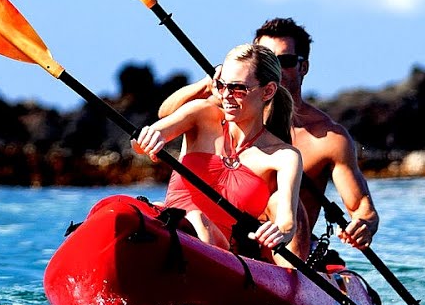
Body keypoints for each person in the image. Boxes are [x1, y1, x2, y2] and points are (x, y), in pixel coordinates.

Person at [157, 17, 380, 254]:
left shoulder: (328, 138)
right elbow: (167, 115)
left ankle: (289, 283)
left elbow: (361, 208)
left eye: (284, 61)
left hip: (281, 249)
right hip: (219, 237)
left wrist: (363, 225)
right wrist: (208, 84)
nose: (274, 67)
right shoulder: (225, 106)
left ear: (303, 67)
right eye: (267, 58)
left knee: (285, 205)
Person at [131, 43, 302, 263]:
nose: (226, 96)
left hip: (221, 256)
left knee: (198, 219)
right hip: (169, 229)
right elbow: (139, 142)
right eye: (222, 86)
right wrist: (145, 139)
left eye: (238, 88)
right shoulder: (201, 114)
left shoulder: (284, 157)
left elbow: (287, 222)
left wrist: (281, 233)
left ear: (268, 91)